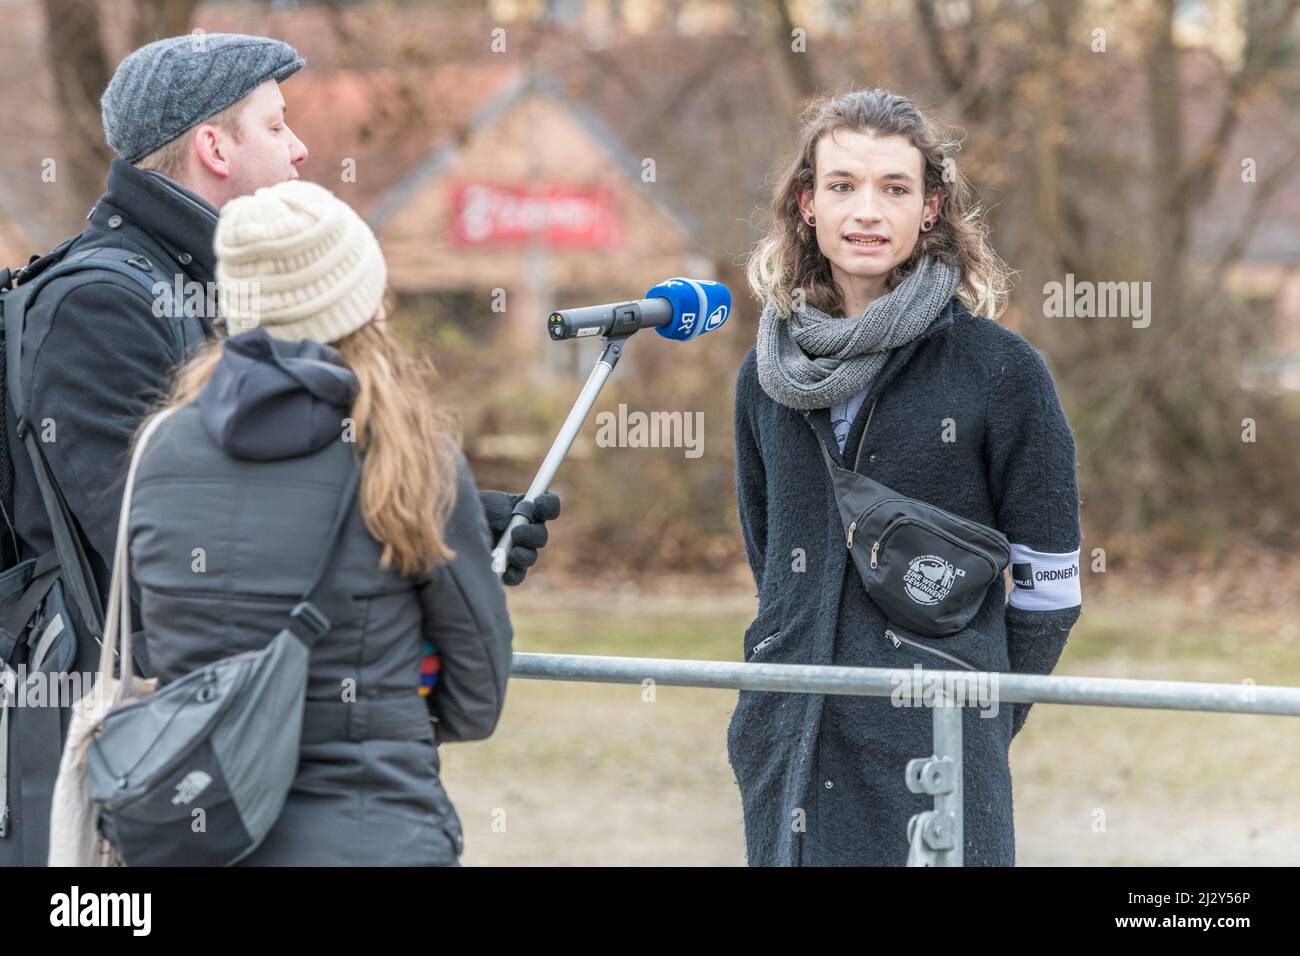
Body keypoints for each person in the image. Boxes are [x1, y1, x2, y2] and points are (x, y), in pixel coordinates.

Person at [0, 33, 556, 867]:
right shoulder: (101, 304)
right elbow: (154, 563)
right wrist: (416, 540)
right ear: (213, 145)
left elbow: (251, 502)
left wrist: (447, 519)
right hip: (139, 755)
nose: (301, 148)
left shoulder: (204, 284)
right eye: (276, 125)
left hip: (230, 762)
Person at [730, 88, 1083, 866]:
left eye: (895, 187)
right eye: (842, 185)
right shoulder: (764, 376)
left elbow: (1050, 587)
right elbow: (776, 565)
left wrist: (977, 704)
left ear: (930, 208)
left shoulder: (1002, 371)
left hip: (939, 747)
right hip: (790, 745)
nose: (867, 210)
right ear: (806, 204)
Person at [127, 179, 506, 865]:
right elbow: (477, 696)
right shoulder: (410, 458)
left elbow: (147, 642)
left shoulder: (158, 450)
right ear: (364, 307)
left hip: (197, 837)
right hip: (378, 838)